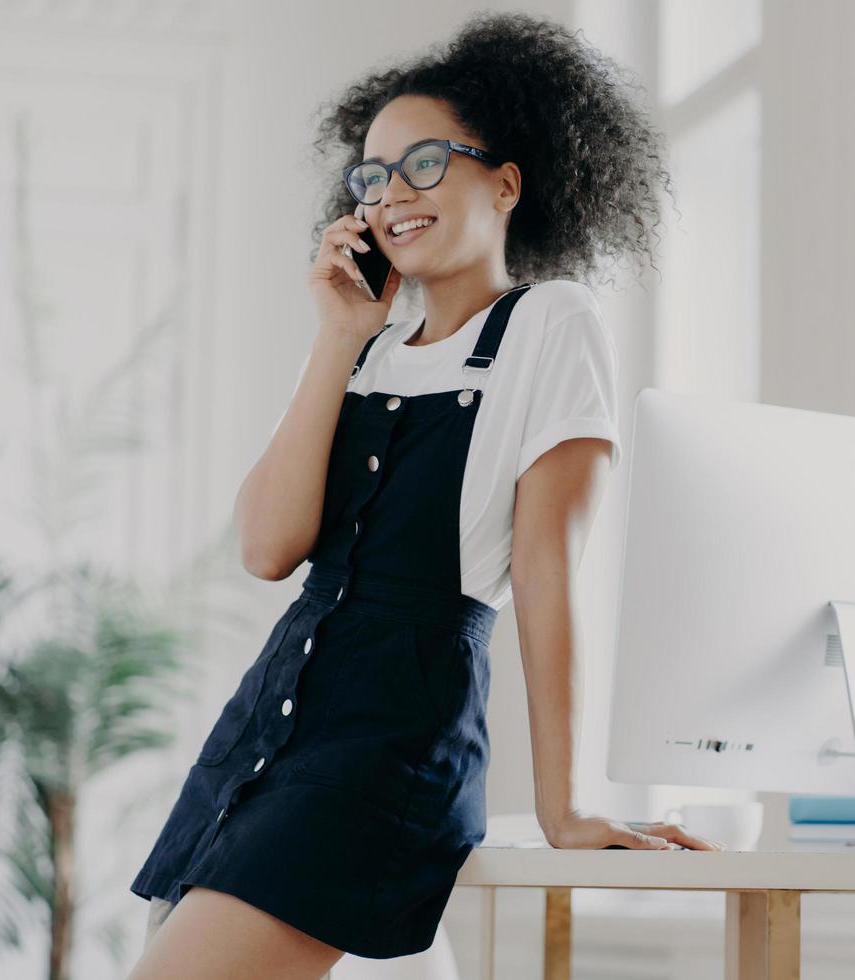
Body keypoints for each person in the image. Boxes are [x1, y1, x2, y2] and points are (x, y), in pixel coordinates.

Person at [127, 12, 721, 978]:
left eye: (426, 162)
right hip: (274, 724)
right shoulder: (370, 349)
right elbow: (270, 549)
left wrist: (568, 805)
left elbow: (545, 572)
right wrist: (337, 336)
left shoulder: (549, 323)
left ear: (507, 181)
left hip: (390, 744)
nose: (393, 193)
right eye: (373, 176)